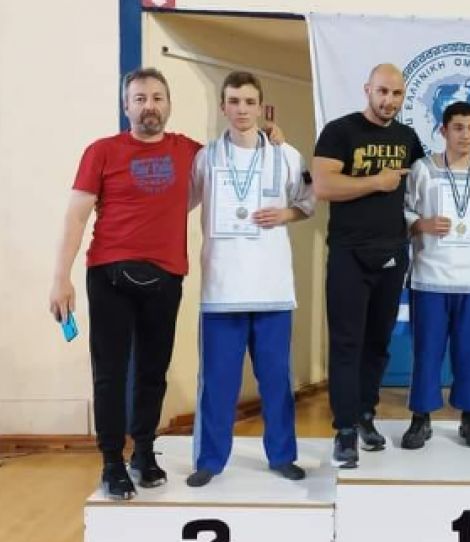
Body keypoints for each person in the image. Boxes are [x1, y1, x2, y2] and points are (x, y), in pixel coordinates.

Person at [48, 68, 200, 500]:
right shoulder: (102, 152)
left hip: (166, 276)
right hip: (109, 276)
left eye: (157, 97)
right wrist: (60, 278)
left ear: (168, 104)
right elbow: (76, 216)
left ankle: (144, 452)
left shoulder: (190, 152)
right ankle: (112, 461)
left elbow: (236, 156)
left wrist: (271, 136)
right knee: (111, 374)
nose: (149, 106)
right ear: (126, 106)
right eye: (140, 98)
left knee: (153, 371)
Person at [185, 72, 315, 487]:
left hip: (273, 291)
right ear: (224, 106)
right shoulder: (205, 158)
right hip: (221, 291)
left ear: (261, 107)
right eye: (234, 101)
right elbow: (179, 203)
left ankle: (282, 455)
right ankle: (209, 460)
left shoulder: (286, 155)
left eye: (249, 102)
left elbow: (310, 200)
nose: (242, 109)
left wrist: (286, 213)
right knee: (217, 384)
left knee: (276, 381)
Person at [312, 63, 425, 468]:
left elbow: (429, 176)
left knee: (378, 343)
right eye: (382, 92)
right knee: (347, 343)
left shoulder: (407, 138)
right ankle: (344, 430)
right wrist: (376, 182)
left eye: (396, 94)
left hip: (392, 252)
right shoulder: (340, 131)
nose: (389, 100)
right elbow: (323, 185)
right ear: (367, 90)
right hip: (349, 254)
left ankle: (364, 415)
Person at [401, 102, 470, 449]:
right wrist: (420, 224)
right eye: (458, 127)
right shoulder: (423, 169)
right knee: (427, 351)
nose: (465, 135)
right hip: (430, 276)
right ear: (443, 131)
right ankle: (420, 417)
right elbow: (404, 210)